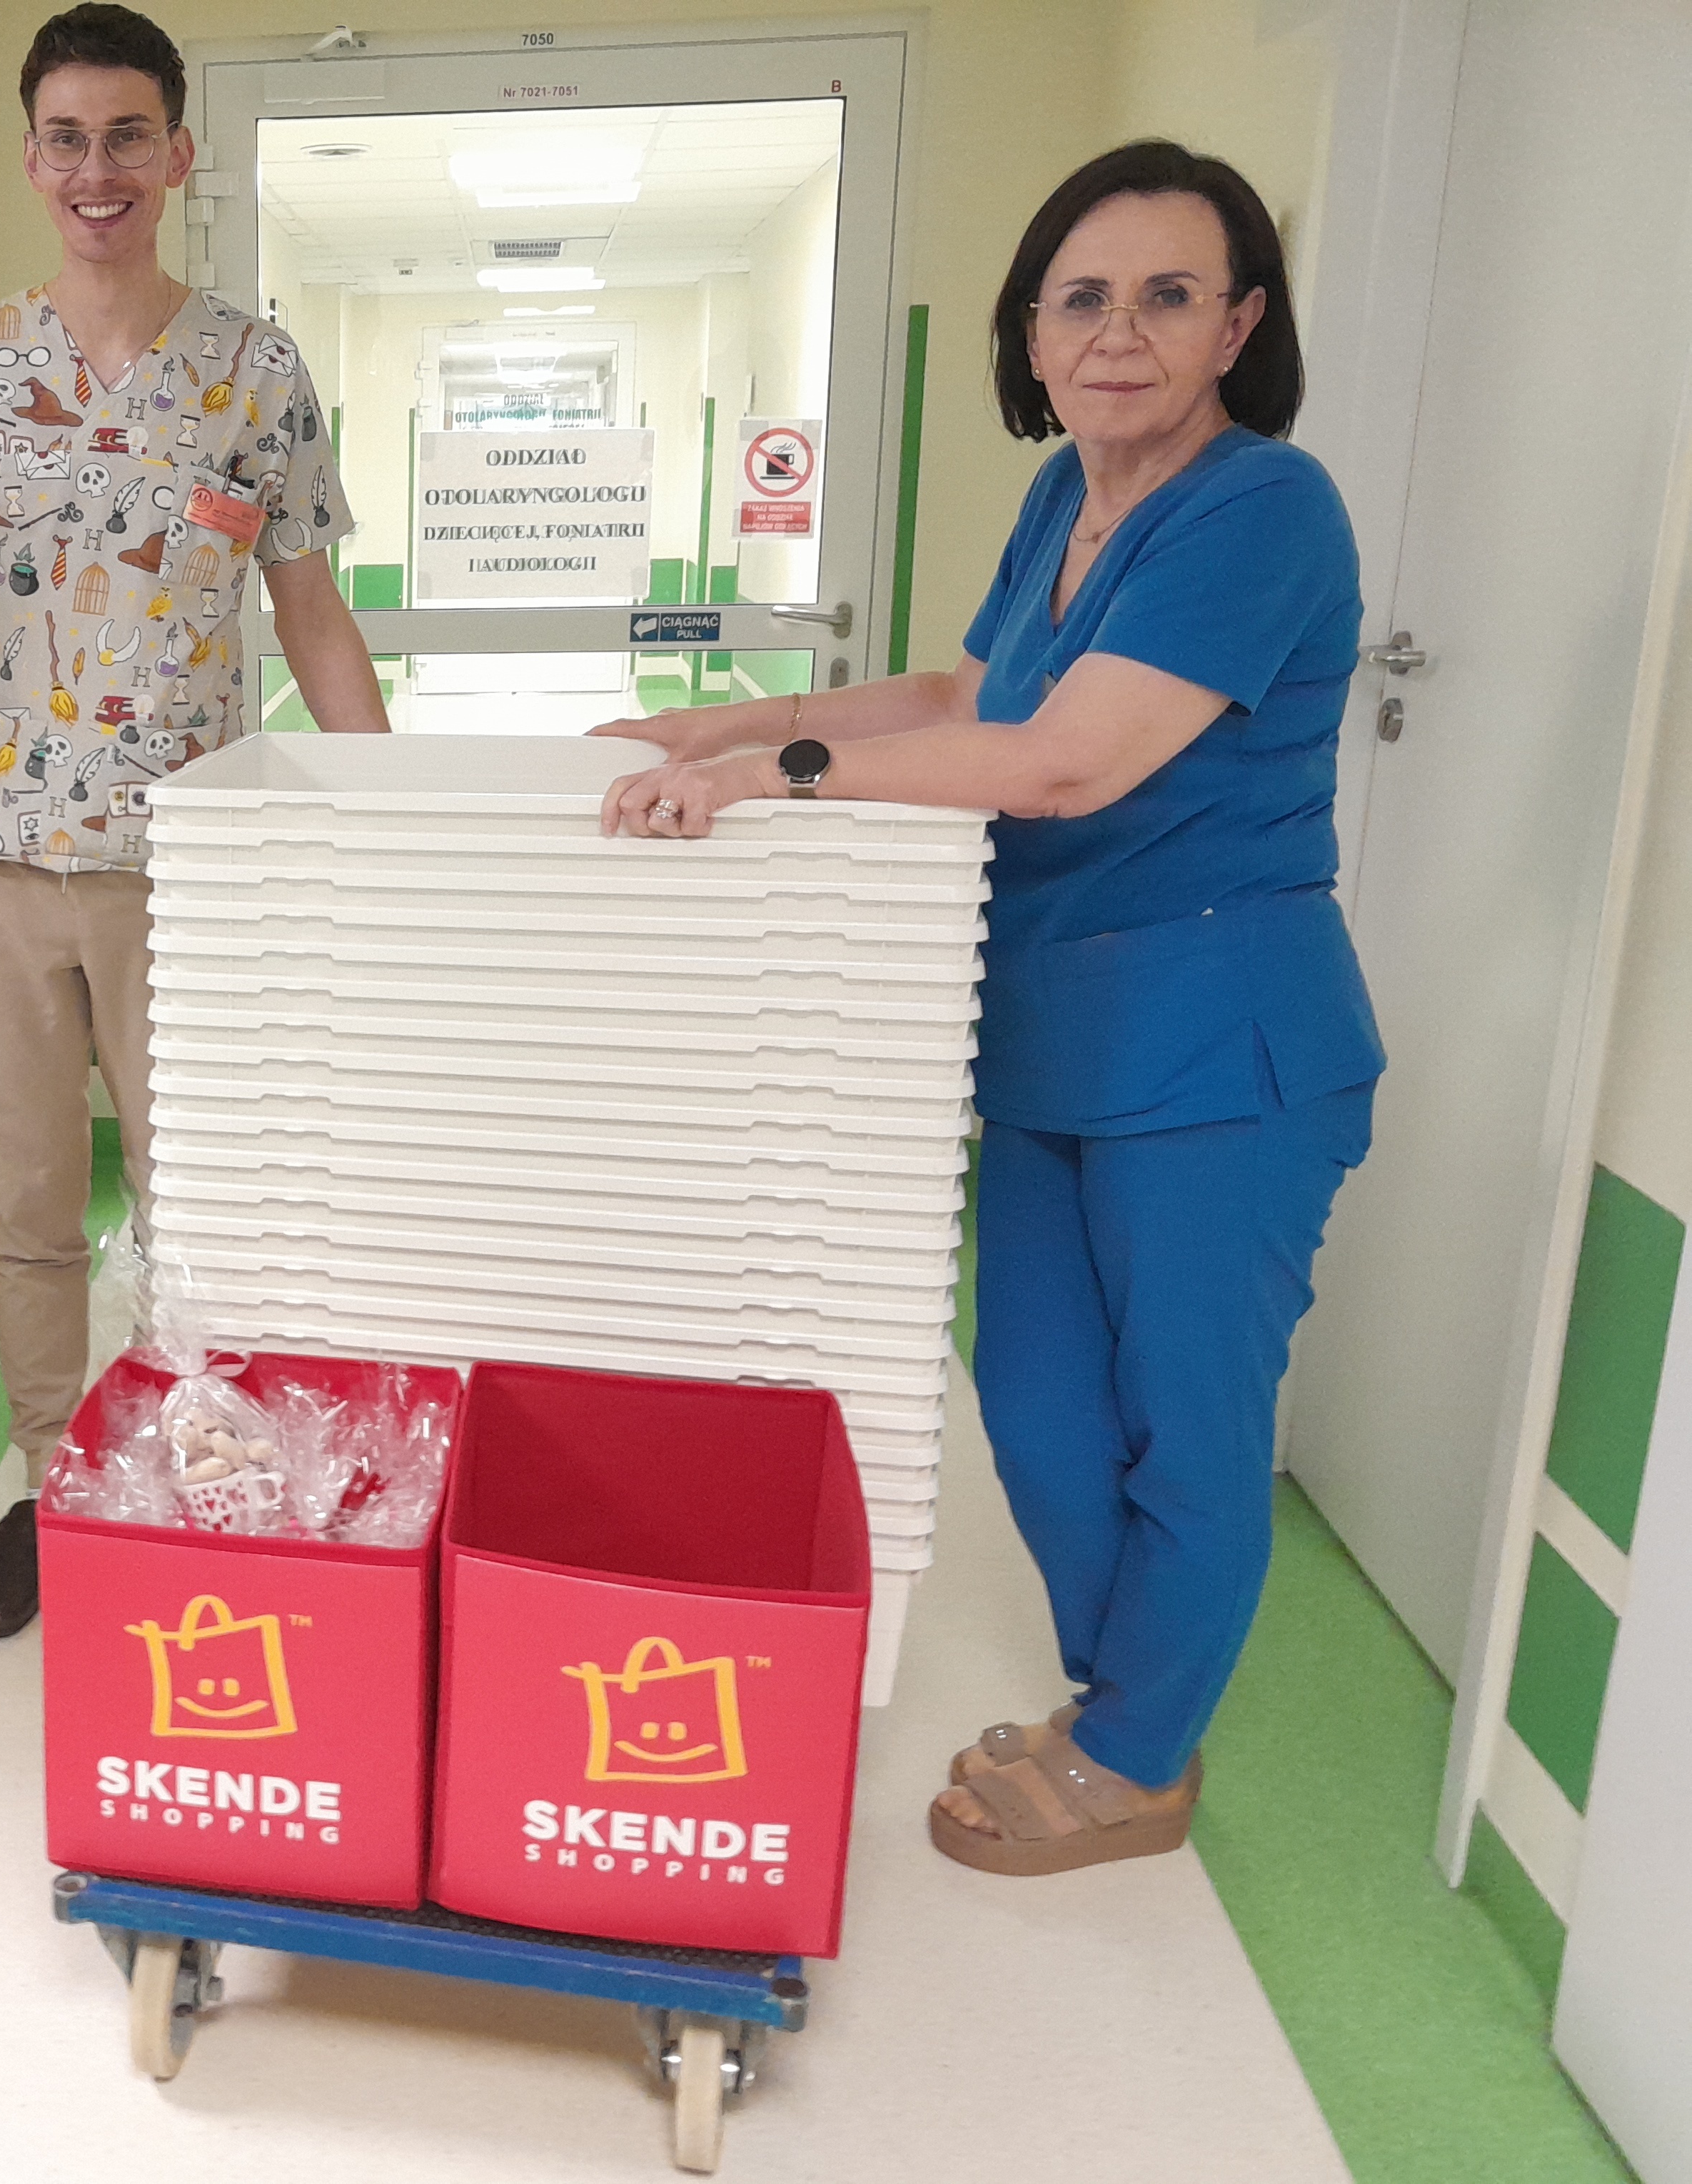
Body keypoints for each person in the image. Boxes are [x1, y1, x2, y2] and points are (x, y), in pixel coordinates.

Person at [595, 141, 1384, 1875]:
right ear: (1033, 335)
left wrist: (776, 779)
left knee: (1186, 1434)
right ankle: (1121, 1704)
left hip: (1221, 1049)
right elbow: (968, 694)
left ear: (1240, 325)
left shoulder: (1263, 507)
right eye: (1081, 298)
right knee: (1038, 1409)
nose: (1120, 332)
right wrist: (732, 724)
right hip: (1048, 1041)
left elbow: (1063, 761)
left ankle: (1137, 1754)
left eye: (1169, 296)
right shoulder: (1063, 502)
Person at [0, 2, 391, 1639]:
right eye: (67, 138)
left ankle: (205, 1480)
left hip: (199, 876)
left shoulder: (254, 370)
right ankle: (53, 1488)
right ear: (32, 160)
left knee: (208, 1210)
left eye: (127, 137)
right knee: (30, 1211)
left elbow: (311, 613)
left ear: (179, 156)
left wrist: (389, 824)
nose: (96, 168)